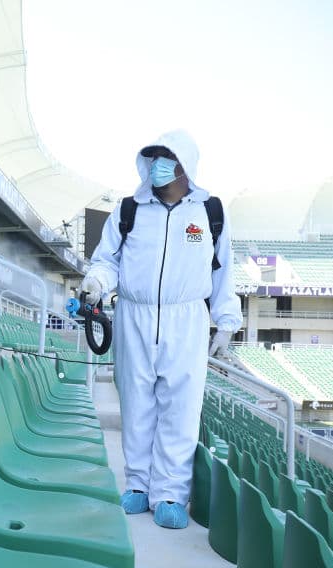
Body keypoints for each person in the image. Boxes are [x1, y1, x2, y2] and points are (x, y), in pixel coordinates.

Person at [79, 130, 242, 529]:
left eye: (166, 158)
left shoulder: (210, 213)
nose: (157, 166)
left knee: (181, 406)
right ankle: (137, 484)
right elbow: (108, 259)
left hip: (186, 318)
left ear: (185, 165)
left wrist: (226, 321)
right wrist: (97, 281)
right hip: (133, 315)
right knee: (136, 402)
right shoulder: (129, 210)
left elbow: (224, 273)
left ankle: (170, 492)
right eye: (152, 159)